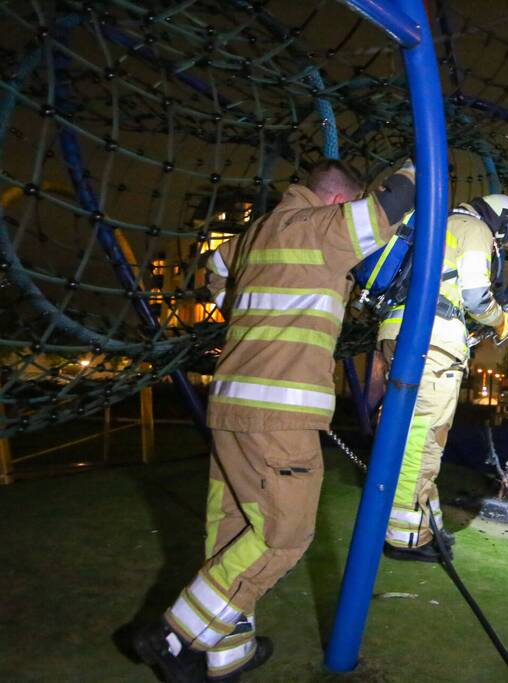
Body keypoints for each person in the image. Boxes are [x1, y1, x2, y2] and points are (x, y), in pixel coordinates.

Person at [133, 158, 416, 683]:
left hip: (232, 406)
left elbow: (216, 269)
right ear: (337, 203)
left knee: (235, 530)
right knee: (284, 535)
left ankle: (228, 654)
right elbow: (393, 203)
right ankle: (177, 636)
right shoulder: (325, 229)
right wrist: (417, 168)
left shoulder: (256, 232)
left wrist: (252, 311)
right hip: (279, 416)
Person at [377, 194, 508, 562]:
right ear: (502, 223)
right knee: (423, 440)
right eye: (501, 243)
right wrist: (504, 322)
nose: (497, 248)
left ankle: (426, 526)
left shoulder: (438, 224)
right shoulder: (473, 228)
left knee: (408, 434)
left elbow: (447, 293)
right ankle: (405, 538)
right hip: (433, 344)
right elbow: (476, 296)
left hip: (400, 334)